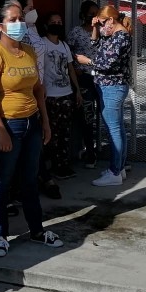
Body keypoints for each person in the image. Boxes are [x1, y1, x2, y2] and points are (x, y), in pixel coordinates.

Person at [0, 0, 64, 257]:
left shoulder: (27, 51)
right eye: (13, 20)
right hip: (7, 125)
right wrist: (0, 129)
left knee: (29, 180)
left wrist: (45, 122)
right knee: (2, 182)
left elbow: (38, 88)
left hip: (31, 124)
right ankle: (0, 236)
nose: (19, 23)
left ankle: (37, 231)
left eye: (21, 19)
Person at [75, 5, 133, 187]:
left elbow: (106, 63)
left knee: (113, 129)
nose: (101, 28)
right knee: (118, 129)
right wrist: (94, 28)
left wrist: (87, 61)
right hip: (110, 86)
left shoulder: (121, 37)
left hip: (112, 87)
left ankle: (115, 172)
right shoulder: (113, 35)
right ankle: (119, 167)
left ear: (111, 21)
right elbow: (96, 44)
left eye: (101, 23)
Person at [13, 0, 61, 199]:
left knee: (39, 136)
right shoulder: (18, 31)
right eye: (29, 7)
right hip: (24, 90)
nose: (33, 11)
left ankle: (38, 179)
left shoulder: (34, 30)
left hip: (39, 88)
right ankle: (33, 181)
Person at [40, 11, 82, 180]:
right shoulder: (42, 45)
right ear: (46, 25)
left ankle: (63, 165)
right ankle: (52, 167)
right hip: (50, 96)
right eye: (53, 21)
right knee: (52, 133)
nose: (57, 24)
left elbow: (70, 69)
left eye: (59, 21)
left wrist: (77, 90)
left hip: (66, 94)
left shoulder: (64, 46)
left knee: (65, 133)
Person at [67, 0, 100, 168]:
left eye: (96, 13)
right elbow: (68, 52)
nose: (93, 16)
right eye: (91, 13)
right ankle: (90, 152)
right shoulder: (76, 32)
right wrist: (76, 66)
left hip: (101, 78)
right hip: (84, 77)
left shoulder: (101, 31)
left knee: (105, 114)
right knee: (87, 117)